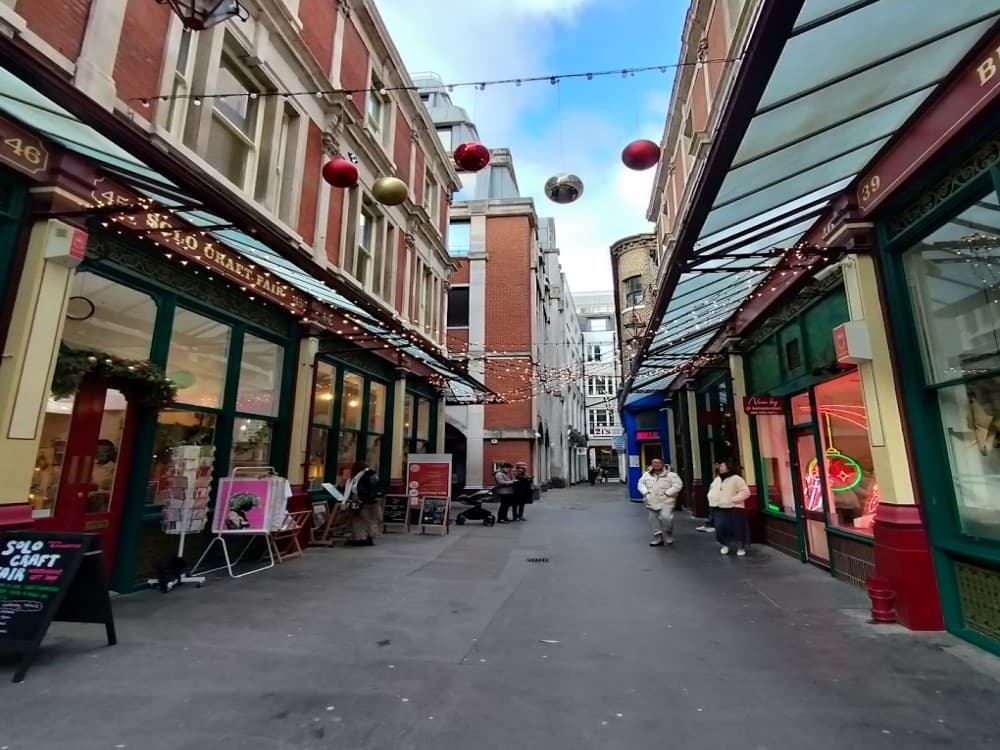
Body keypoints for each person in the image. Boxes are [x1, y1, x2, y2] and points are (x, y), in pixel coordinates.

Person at [637, 458, 683, 547]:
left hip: (666, 501)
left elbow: (678, 485)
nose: (656, 464)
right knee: (653, 520)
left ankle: (668, 533)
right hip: (651, 500)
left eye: (658, 463)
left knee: (666, 518)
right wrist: (646, 493)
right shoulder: (646, 475)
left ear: (663, 464)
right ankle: (658, 537)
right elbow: (640, 484)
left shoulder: (671, 475)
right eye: (654, 463)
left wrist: (668, 493)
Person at [709, 460, 751, 556]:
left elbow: (745, 492)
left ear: (728, 467)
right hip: (720, 507)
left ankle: (740, 547)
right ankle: (725, 544)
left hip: (735, 507)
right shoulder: (717, 479)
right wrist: (712, 499)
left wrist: (732, 499)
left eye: (722, 466)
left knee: (737, 528)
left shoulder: (737, 479)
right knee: (720, 528)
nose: (720, 467)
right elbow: (712, 490)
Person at [347, 461, 381, 546]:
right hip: (373, 502)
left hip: (363, 502)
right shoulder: (373, 475)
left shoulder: (361, 477)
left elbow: (358, 489)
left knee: (359, 521)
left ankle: (360, 539)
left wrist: (359, 499)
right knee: (371, 521)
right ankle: (369, 538)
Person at [697, 463, 719, 534]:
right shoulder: (717, 477)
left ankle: (711, 526)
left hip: (717, 500)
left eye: (717, 464)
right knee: (712, 512)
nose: (715, 466)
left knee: (715, 513)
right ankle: (710, 525)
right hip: (713, 500)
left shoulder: (722, 478)